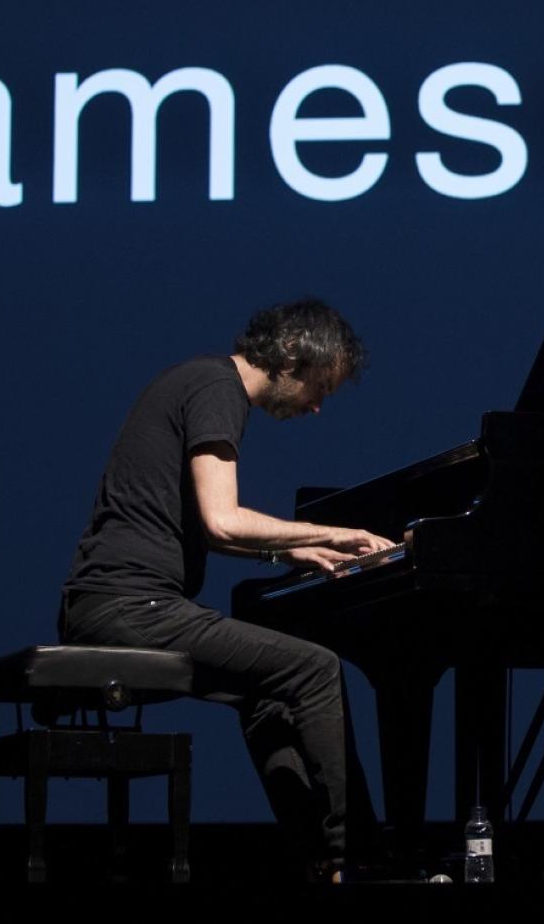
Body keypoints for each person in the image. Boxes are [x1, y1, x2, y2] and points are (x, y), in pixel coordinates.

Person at [59, 298, 390, 881]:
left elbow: (200, 527)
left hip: (114, 604)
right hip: (131, 606)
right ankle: (354, 858)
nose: (317, 407)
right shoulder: (217, 387)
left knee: (267, 694)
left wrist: (285, 550)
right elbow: (222, 519)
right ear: (292, 353)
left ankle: (317, 861)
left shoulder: (200, 381)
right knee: (314, 670)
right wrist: (339, 532)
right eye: (321, 386)